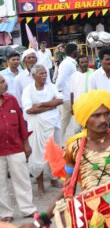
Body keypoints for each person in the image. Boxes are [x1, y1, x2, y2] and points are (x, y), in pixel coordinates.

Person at [21, 64, 64, 195]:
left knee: (54, 152)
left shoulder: (51, 86)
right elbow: (29, 109)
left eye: (45, 73)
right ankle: (40, 184)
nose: (45, 75)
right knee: (37, 155)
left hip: (53, 125)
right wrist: (50, 105)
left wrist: (41, 105)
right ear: (34, 76)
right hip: (36, 127)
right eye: (41, 73)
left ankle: (54, 178)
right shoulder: (28, 90)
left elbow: (60, 100)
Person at [0, 75, 35, 223]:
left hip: (16, 146)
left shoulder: (11, 100)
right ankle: (5, 213)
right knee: (0, 183)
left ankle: (28, 209)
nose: (5, 83)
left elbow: (21, 122)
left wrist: (26, 143)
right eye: (1, 82)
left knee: (22, 179)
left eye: (3, 80)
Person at [68, 55, 94, 134]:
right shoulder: (74, 76)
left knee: (90, 127)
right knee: (76, 129)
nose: (84, 64)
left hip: (91, 105)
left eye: (86, 62)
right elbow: (72, 92)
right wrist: (72, 106)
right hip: (78, 106)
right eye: (82, 62)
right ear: (78, 64)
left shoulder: (93, 73)